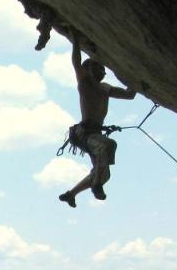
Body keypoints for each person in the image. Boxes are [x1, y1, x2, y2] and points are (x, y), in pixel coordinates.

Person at [58, 37, 136, 208]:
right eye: (98, 68)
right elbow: (76, 62)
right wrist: (75, 39)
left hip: (94, 133)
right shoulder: (85, 83)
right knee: (107, 145)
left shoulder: (105, 88)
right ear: (88, 70)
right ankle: (96, 185)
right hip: (83, 134)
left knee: (105, 174)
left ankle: (72, 194)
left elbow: (129, 95)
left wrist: (137, 78)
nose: (103, 71)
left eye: (103, 69)